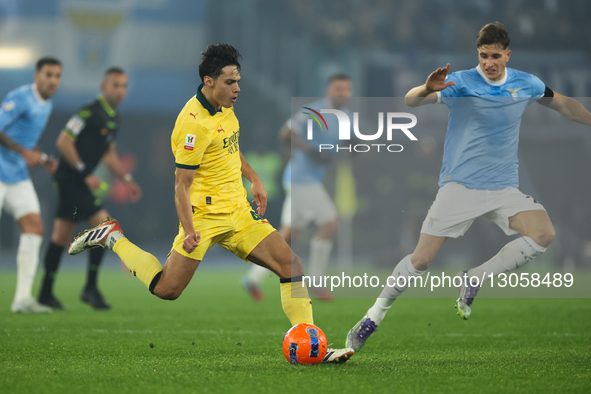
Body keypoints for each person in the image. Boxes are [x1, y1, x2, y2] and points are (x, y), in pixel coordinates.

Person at [67, 44, 353, 363]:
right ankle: (112, 237)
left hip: (239, 212)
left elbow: (230, 149)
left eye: (238, 80)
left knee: (292, 265)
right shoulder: (193, 125)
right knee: (167, 289)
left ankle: (313, 346)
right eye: (230, 82)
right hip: (204, 217)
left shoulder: (225, 106)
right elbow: (180, 185)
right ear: (209, 81)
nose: (237, 88)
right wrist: (189, 229)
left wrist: (254, 178)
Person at [346, 22, 591, 351]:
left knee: (544, 233)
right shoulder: (460, 82)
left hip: (504, 188)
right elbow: (410, 101)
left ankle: (475, 277)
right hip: (459, 188)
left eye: (494, 56)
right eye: (482, 55)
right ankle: (372, 317)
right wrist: (424, 88)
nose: (488, 62)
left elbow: (563, 104)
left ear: (507, 55)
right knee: (421, 261)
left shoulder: (526, 83)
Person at [37, 67, 142, 310]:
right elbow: (63, 142)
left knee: (61, 237)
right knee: (105, 226)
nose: (120, 91)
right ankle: (90, 288)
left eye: (124, 86)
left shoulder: (114, 117)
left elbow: (109, 154)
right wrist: (85, 173)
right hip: (70, 180)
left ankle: (45, 293)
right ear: (103, 87)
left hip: (77, 181)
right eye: (115, 85)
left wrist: (126, 178)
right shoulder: (88, 112)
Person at [242, 74, 353, 302]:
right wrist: (311, 150)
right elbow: (285, 134)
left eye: (346, 89)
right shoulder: (313, 112)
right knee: (330, 224)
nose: (343, 93)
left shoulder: (347, 117)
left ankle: (253, 277)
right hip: (301, 179)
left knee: (288, 237)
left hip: (308, 180)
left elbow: (347, 143)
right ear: (328, 90)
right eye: (338, 88)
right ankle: (316, 280)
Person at [0, 57, 62, 313]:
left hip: (16, 175)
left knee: (35, 227)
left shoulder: (46, 105)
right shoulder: (21, 97)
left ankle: (23, 299)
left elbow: (26, 139)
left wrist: (43, 157)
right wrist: (25, 153)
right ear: (36, 76)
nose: (52, 80)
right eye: (48, 74)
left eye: (57, 76)